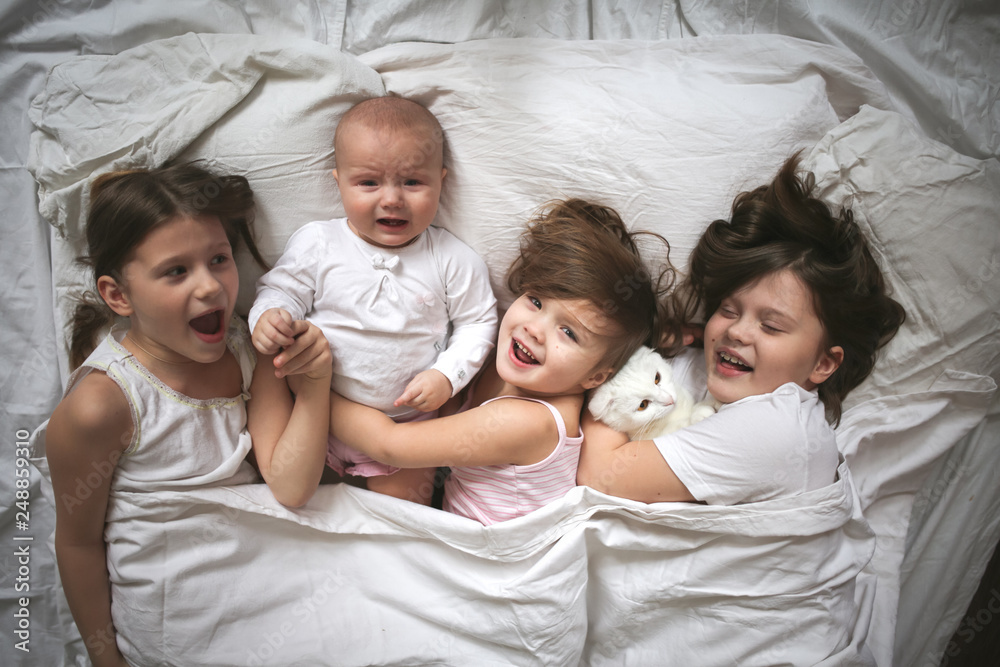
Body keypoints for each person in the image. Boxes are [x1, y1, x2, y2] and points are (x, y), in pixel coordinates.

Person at [38, 164, 332, 667]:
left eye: (219, 259)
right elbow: (78, 545)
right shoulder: (101, 403)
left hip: (259, 563)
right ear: (119, 295)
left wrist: (315, 384)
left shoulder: (244, 348)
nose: (211, 287)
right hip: (174, 603)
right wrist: (106, 660)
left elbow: (290, 486)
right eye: (177, 271)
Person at [577, 154, 906, 505]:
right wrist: (642, 344)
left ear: (823, 364)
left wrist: (601, 383)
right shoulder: (699, 372)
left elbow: (603, 476)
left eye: (771, 326)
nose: (737, 332)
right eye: (728, 310)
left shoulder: (783, 430)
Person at [328, 198, 671, 524]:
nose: (535, 330)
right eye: (536, 301)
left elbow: (390, 446)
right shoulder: (511, 362)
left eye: (568, 332)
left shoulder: (528, 422)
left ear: (597, 377)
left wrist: (314, 387)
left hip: (498, 568)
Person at [248, 96, 498, 504]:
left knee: (404, 514)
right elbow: (281, 289)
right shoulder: (320, 242)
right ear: (339, 181)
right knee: (305, 505)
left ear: (441, 180)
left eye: (413, 182)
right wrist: (270, 316)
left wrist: (447, 376)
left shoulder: (452, 258)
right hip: (320, 412)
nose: (392, 199)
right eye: (368, 183)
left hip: (410, 425)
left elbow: (478, 323)